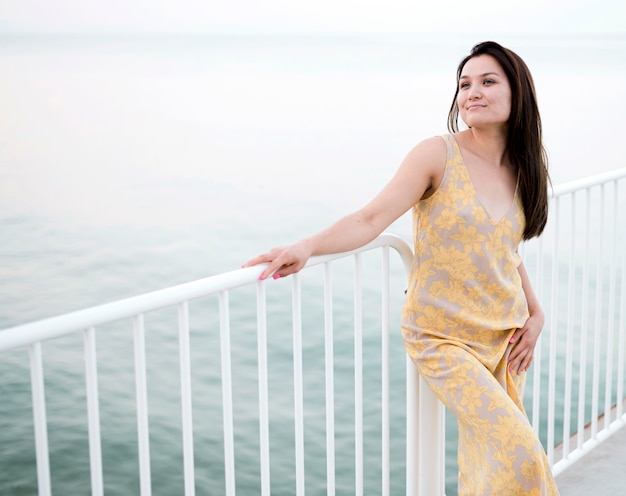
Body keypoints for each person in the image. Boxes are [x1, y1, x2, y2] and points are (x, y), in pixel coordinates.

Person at [243, 41, 559, 495]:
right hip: (443, 336)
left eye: (488, 81)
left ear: (518, 94)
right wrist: (308, 245)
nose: (472, 91)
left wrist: (536, 312)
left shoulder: (523, 168)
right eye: (464, 83)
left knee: (488, 469)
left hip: (504, 337)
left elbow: (505, 250)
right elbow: (372, 218)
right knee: (522, 454)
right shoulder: (437, 154)